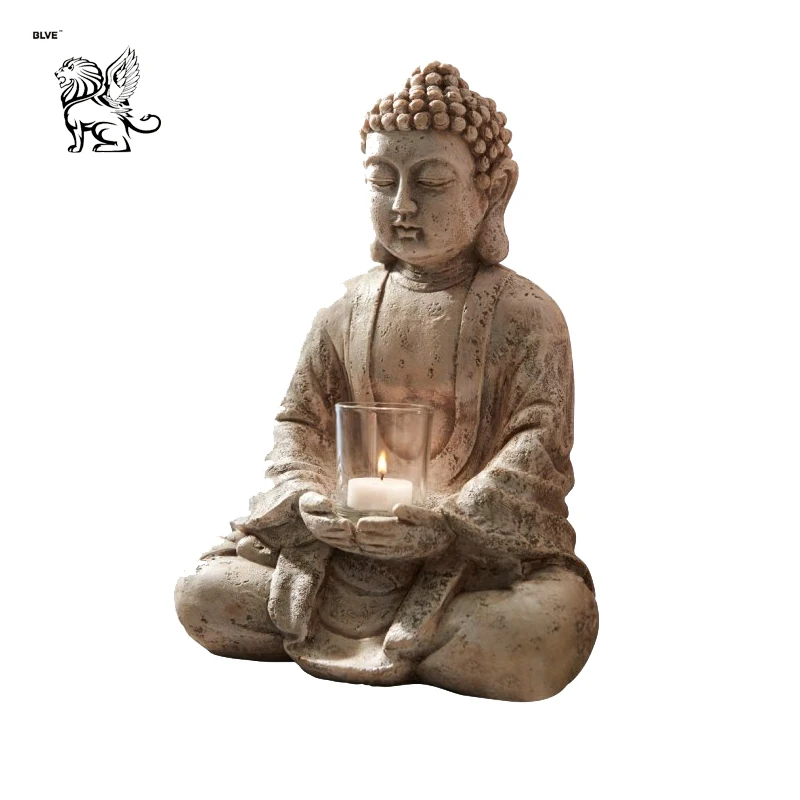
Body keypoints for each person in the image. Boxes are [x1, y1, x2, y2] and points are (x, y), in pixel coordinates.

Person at [175, 61, 598, 701]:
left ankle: (418, 636)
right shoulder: (344, 310)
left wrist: (448, 520)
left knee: (541, 629)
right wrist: (307, 499)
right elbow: (299, 425)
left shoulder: (527, 315)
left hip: (467, 556)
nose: (402, 205)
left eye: (430, 181)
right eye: (381, 180)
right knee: (203, 593)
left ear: (494, 189)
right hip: (342, 550)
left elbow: (537, 445)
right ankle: (419, 648)